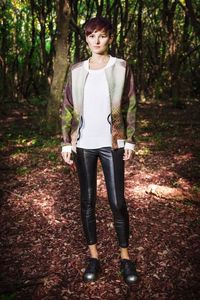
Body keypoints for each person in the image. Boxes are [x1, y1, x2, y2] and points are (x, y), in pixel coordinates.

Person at [61, 16, 138, 285]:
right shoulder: (76, 70)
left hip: (111, 142)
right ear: (85, 39)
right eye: (91, 35)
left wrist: (130, 139)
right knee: (88, 202)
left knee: (117, 202)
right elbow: (67, 106)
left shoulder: (121, 67)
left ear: (110, 38)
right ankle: (93, 256)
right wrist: (65, 141)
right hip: (83, 145)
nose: (96, 40)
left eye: (102, 35)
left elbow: (130, 104)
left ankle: (125, 258)